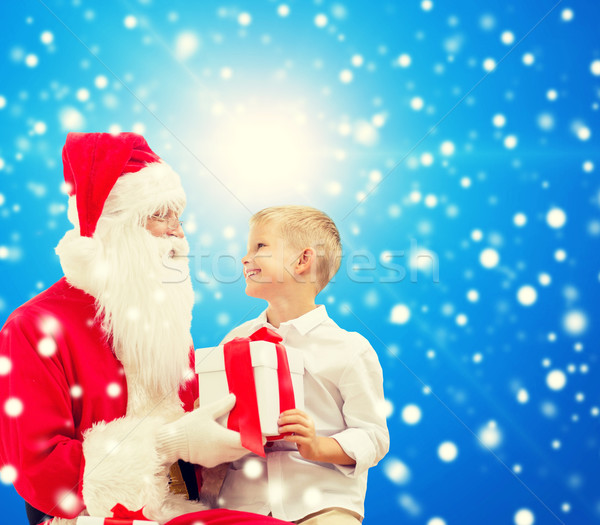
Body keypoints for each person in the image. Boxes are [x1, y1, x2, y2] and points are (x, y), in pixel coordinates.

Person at [0, 132, 290, 525]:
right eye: (160, 216)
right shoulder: (33, 328)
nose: (179, 234)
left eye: (179, 218)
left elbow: (195, 434)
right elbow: (41, 476)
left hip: (184, 506)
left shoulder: (165, 322)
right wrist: (168, 444)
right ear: (115, 226)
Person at [215, 206, 390, 524]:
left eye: (260, 247)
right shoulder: (234, 342)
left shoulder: (350, 349)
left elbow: (373, 436)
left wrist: (319, 446)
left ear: (302, 261)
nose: (245, 258)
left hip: (322, 505)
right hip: (243, 504)